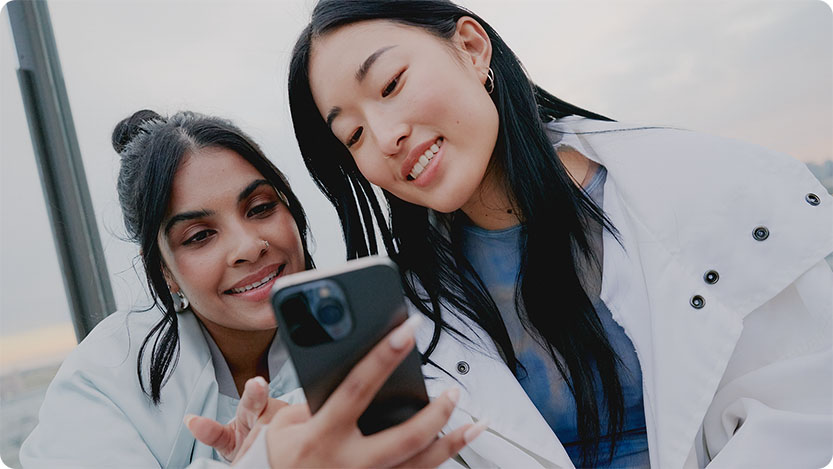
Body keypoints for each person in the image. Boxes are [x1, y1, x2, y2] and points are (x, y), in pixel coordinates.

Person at [285, 0, 833, 467]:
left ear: (472, 49)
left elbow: (805, 405)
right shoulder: (409, 312)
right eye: (352, 135)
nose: (384, 137)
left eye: (391, 84)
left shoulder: (699, 186)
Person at [19, 110, 482, 468]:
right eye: (199, 236)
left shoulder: (372, 334)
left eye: (260, 207)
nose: (248, 246)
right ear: (165, 272)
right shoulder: (105, 378)